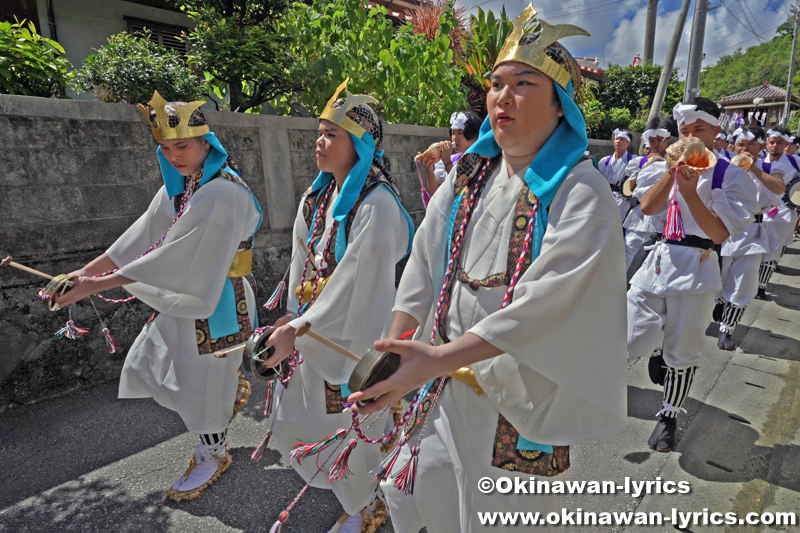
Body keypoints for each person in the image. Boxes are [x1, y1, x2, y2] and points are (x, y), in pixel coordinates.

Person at [349, 6, 628, 531]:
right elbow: (425, 266)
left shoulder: (581, 189)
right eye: (497, 83)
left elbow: (548, 305)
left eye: (524, 83)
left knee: (504, 519)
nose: (504, 95)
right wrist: (389, 357)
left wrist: (435, 359)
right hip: (439, 384)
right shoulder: (468, 177)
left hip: (517, 401)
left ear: (560, 103)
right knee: (425, 500)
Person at [53, 92, 263, 500]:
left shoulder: (223, 194)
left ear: (206, 142)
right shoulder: (185, 187)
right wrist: (83, 273)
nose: (174, 156)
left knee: (200, 383)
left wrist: (96, 285)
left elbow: (175, 256)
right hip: (184, 295)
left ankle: (212, 451)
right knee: (155, 363)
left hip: (218, 301)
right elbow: (138, 238)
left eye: (182, 145)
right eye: (165, 148)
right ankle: (221, 404)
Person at [259, 80, 414, 533]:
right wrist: (293, 316)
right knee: (312, 422)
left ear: (361, 142)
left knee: (350, 425)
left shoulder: (378, 203)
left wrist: (302, 327)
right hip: (313, 332)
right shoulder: (318, 197)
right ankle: (360, 497)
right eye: (319, 132)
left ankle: (365, 505)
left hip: (350, 338)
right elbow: (301, 263)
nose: (319, 142)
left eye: (332, 134)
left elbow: (356, 285)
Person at [627, 98, 758, 452]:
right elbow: (647, 208)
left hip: (699, 264)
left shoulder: (730, 174)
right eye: (684, 131)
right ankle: (657, 350)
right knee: (631, 336)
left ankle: (668, 416)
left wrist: (689, 192)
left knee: (684, 351)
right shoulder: (667, 166)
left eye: (698, 130)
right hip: (658, 258)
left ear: (716, 131)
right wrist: (672, 174)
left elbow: (718, 235)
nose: (690, 137)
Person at [716, 125, 785, 349]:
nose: (745, 148)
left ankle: (727, 328)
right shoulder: (722, 167)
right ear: (732, 146)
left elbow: (779, 188)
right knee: (719, 278)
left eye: (751, 144)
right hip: (722, 231)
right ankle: (720, 305)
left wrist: (753, 168)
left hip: (752, 234)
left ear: (760, 146)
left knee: (743, 283)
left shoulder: (766, 167)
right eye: (741, 144)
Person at [622, 116, 675, 271]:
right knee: (627, 258)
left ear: (668, 139)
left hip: (663, 217)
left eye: (659, 140)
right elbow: (630, 188)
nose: (655, 144)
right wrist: (647, 166)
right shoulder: (638, 162)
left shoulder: (676, 162)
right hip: (638, 218)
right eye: (651, 140)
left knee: (655, 265)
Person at [756, 126, 800, 299]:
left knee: (773, 251)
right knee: (757, 250)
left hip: (783, 213)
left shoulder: (794, 162)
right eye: (772, 142)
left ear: (786, 144)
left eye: (779, 142)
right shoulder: (759, 162)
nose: (775, 146)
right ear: (766, 143)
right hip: (760, 212)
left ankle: (761, 286)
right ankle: (752, 282)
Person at [417, 111, 482, 197]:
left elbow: (461, 188)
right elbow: (435, 195)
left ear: (475, 137)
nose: (455, 138)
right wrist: (429, 169)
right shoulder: (451, 159)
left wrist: (447, 162)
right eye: (453, 133)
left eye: (460, 133)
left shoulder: (481, 162)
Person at [599, 128, 634, 221]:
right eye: (616, 139)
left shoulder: (633, 160)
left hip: (622, 199)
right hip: (605, 196)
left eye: (622, 139)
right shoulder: (605, 161)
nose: (618, 141)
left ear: (628, 143)